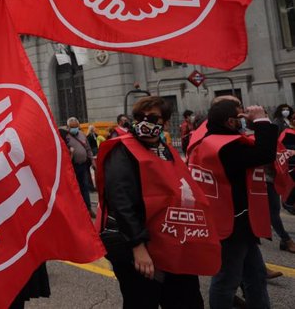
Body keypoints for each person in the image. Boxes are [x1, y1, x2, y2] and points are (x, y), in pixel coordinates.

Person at [96, 96, 220, 309]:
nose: (145, 121)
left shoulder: (168, 151)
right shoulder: (121, 150)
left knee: (187, 299)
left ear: (164, 122)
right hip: (133, 243)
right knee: (143, 300)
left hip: (170, 239)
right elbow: (121, 200)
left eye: (152, 117)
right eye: (139, 117)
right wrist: (137, 246)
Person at [188, 100, 277, 309]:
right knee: (227, 280)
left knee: (255, 276)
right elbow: (264, 154)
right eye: (240, 116)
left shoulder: (211, 139)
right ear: (230, 121)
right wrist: (262, 120)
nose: (244, 120)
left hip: (239, 221)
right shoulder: (224, 146)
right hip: (231, 224)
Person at [60, 117, 94, 216]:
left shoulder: (82, 135)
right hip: (73, 167)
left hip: (83, 166)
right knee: (75, 189)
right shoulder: (65, 136)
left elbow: (88, 149)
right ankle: (78, 212)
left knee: (85, 187)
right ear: (68, 127)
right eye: (72, 127)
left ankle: (88, 209)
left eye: (76, 126)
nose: (74, 128)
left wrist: (92, 160)